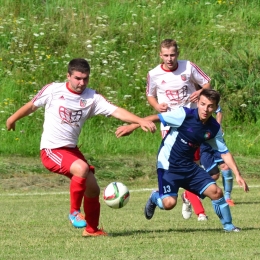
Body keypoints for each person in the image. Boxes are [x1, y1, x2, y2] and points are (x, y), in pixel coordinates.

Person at [6, 58, 156, 237]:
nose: (81, 83)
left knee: (93, 189)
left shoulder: (92, 97)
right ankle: (74, 212)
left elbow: (116, 111)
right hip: (51, 150)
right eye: (77, 78)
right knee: (82, 168)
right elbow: (32, 105)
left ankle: (91, 229)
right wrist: (12, 119)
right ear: (68, 76)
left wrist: (140, 121)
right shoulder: (53, 90)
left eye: (85, 79)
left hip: (71, 150)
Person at [116, 89, 249, 232]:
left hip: (189, 167)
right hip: (169, 165)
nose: (205, 109)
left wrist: (237, 174)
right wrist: (133, 125)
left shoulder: (214, 128)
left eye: (210, 106)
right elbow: (157, 117)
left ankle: (229, 226)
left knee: (216, 192)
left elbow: (224, 152)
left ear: (215, 108)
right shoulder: (184, 114)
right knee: (169, 204)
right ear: (197, 102)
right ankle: (155, 197)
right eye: (203, 104)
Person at [146, 38, 210, 221]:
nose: (169, 59)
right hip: (169, 126)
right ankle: (198, 211)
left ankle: (187, 198)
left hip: (191, 124)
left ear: (177, 54)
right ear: (160, 55)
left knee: (194, 166)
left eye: (172, 54)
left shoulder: (188, 67)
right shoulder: (154, 74)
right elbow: (150, 95)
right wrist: (157, 106)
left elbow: (206, 84)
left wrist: (200, 92)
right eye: (165, 55)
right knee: (180, 165)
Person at [200, 106, 235, 206]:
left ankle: (227, 198)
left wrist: (217, 126)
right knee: (214, 175)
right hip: (203, 145)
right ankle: (192, 194)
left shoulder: (210, 99)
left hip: (215, 142)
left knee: (226, 166)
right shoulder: (193, 101)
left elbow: (219, 112)